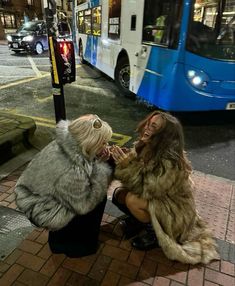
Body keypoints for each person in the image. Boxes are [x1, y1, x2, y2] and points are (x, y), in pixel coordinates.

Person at [111, 111, 220, 265]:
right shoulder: (146, 146)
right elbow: (136, 176)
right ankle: (139, 222)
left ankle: (154, 234)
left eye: (153, 127)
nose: (147, 128)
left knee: (132, 200)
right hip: (159, 200)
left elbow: (146, 189)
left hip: (174, 212)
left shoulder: (170, 162)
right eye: (148, 123)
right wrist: (125, 159)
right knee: (119, 195)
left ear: (164, 135)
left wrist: (126, 165)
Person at [15, 114, 113, 257]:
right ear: (90, 142)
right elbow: (84, 205)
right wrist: (101, 166)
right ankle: (77, 246)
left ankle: (59, 241)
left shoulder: (66, 142)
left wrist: (97, 158)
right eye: (103, 142)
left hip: (36, 196)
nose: (106, 146)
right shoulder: (72, 170)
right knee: (98, 198)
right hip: (43, 210)